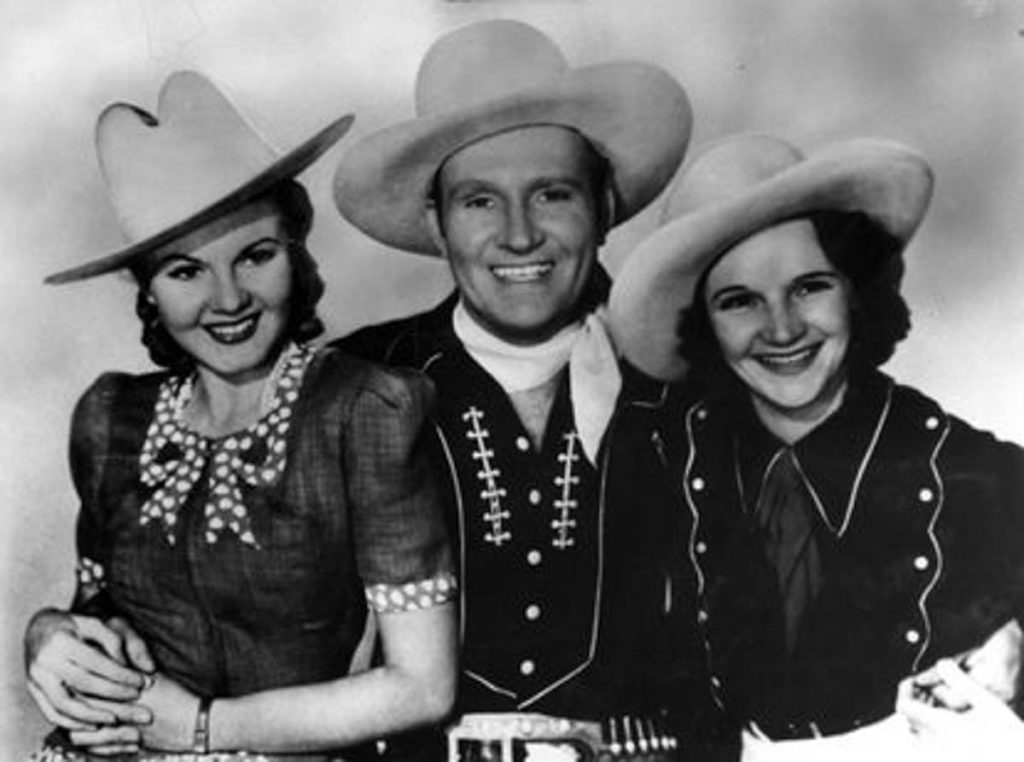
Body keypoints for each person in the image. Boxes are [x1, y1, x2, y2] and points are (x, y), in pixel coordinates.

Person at [24, 71, 457, 760]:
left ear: (298, 254)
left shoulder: (364, 410)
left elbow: (421, 687)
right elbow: (99, 612)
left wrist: (201, 727)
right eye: (185, 271)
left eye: (255, 256)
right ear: (148, 292)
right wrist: (49, 634)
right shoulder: (111, 419)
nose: (227, 299)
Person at [332, 18, 706, 760]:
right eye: (479, 201)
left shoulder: (691, 381)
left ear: (604, 208)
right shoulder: (354, 384)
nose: (519, 235)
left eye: (552, 194)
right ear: (436, 224)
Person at [608, 134, 1024, 749]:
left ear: (858, 291)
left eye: (810, 287)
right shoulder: (668, 465)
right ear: (704, 324)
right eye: (739, 301)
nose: (781, 329)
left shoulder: (984, 477)